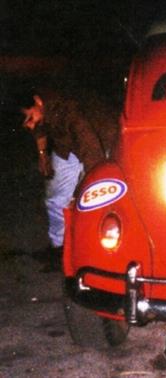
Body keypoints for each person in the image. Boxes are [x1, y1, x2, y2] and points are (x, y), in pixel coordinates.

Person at [15, 86, 105, 271]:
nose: (30, 125)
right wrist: (43, 156)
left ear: (38, 102)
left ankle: (88, 252)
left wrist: (93, 181)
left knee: (90, 199)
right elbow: (38, 131)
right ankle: (58, 247)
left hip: (94, 143)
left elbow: (90, 147)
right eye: (26, 123)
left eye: (30, 119)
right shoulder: (40, 113)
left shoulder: (67, 111)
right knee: (54, 199)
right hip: (65, 147)